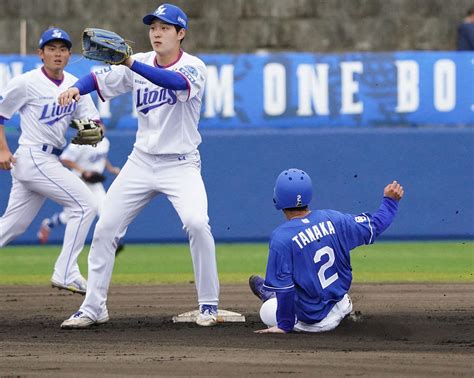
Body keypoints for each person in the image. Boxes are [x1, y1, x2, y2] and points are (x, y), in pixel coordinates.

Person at [58, 3, 220, 328]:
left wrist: (129, 62)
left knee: (197, 223)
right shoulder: (139, 62)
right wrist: (76, 88)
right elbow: (98, 77)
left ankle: (208, 305)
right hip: (141, 162)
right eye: (152, 27)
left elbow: (172, 83)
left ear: (181, 33)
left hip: (181, 164)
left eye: (164, 28)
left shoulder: (194, 67)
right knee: (105, 228)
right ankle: (93, 308)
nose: (156, 33)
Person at [0, 28, 101, 295]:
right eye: (52, 48)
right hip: (32, 155)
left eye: (63, 49)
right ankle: (66, 271)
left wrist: (93, 131)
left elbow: (93, 124)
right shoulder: (26, 82)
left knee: (13, 225)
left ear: (69, 54)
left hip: (45, 158)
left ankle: (65, 270)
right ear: (40, 53)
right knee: (85, 205)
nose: (57, 53)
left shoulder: (75, 84)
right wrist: (2, 150)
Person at [249, 169, 404, 333]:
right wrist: (390, 201)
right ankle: (275, 294)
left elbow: (286, 290)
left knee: (267, 310)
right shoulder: (334, 218)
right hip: (343, 305)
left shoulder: (281, 238)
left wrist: (284, 326)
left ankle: (270, 295)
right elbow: (375, 226)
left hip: (313, 322)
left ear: (277, 197)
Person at [37, 136, 123, 254]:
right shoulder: (81, 141)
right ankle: (48, 224)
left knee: (105, 212)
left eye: (100, 124)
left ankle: (111, 243)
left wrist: (111, 168)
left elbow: (103, 157)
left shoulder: (105, 141)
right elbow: (64, 158)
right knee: (68, 217)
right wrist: (83, 171)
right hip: (78, 182)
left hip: (95, 184)